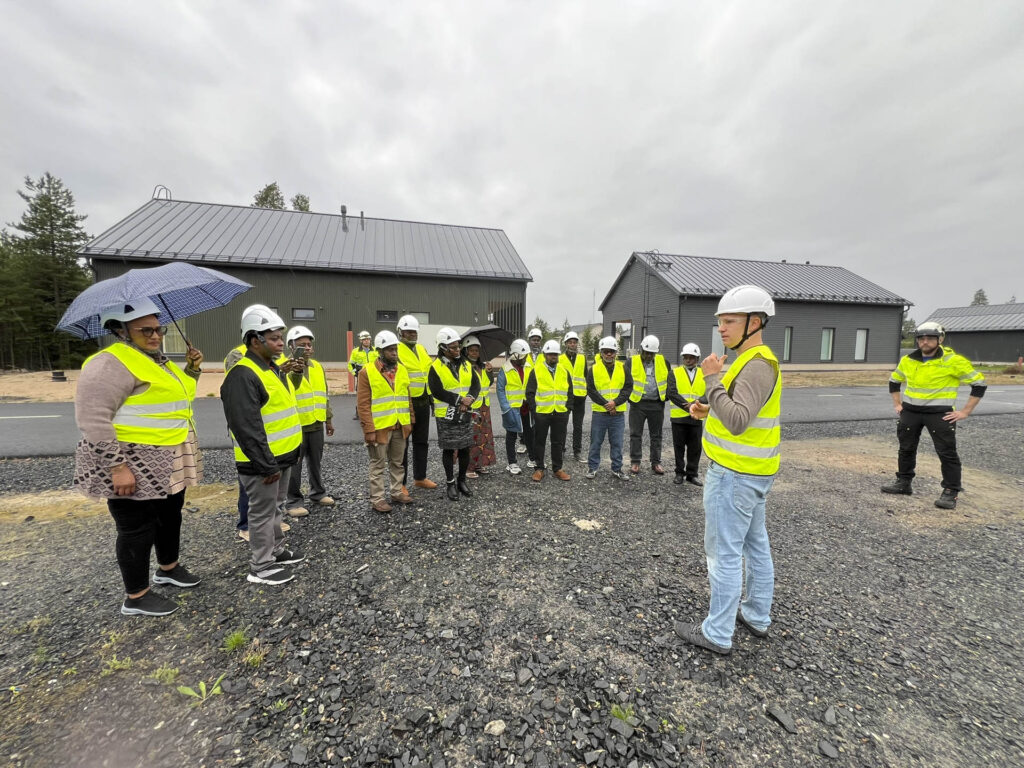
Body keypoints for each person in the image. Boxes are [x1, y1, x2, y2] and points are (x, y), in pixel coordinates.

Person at [74, 297, 203, 616]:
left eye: (159, 329)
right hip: (132, 461)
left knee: (170, 515)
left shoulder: (157, 360)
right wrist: (117, 467)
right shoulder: (110, 363)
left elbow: (179, 395)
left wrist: (192, 369)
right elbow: (92, 418)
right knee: (136, 527)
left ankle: (168, 568)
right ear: (120, 330)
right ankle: (136, 596)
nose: (156, 335)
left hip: (169, 455)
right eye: (146, 330)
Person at [675, 285, 781, 655]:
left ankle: (717, 633)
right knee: (755, 545)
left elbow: (737, 421)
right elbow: (738, 412)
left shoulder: (755, 365)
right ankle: (755, 615)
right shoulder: (754, 360)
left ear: (755, 322)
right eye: (720, 321)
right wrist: (709, 409)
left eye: (730, 321)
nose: (722, 328)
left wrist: (710, 380)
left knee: (723, 553)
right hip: (752, 471)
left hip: (735, 475)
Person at [221, 306, 305, 586]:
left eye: (281, 337)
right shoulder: (242, 375)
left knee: (276, 508)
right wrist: (265, 463)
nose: (281, 343)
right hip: (262, 463)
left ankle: (276, 550)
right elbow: (246, 427)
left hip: (281, 458)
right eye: (274, 338)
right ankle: (261, 565)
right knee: (261, 512)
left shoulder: (270, 369)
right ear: (255, 340)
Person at [881, 321, 986, 509]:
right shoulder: (908, 360)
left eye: (930, 338)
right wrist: (897, 404)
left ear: (940, 339)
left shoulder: (953, 361)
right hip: (910, 412)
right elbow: (894, 381)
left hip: (940, 415)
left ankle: (951, 491)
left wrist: (965, 412)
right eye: (921, 338)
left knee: (946, 452)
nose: (925, 342)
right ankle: (904, 483)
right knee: (906, 448)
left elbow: (979, 384)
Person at [357, 331, 415, 512]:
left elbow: (407, 397)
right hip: (380, 427)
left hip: (400, 424)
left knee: (397, 462)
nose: (394, 353)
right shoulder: (367, 372)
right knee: (378, 464)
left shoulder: (402, 369)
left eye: (395, 349)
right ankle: (378, 498)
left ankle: (397, 492)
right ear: (380, 351)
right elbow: (363, 404)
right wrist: (368, 429)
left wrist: (411, 419)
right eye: (390, 350)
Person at [284, 326, 335, 514]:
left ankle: (318, 493)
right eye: (301, 345)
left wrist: (328, 420)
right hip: (295, 425)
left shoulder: (317, 367)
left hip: (316, 423)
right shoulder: (283, 367)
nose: (307, 348)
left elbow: (324, 395)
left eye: (309, 344)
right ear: (291, 346)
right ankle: (293, 502)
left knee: (316, 461)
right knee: (294, 466)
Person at [428, 327, 480, 500]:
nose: (458, 350)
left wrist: (470, 399)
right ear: (443, 348)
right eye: (454, 347)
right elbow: (437, 391)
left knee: (465, 448)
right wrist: (459, 400)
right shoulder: (435, 367)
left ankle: (461, 480)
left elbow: (475, 385)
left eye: (458, 347)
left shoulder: (466, 363)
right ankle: (450, 483)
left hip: (465, 413)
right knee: (449, 450)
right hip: (446, 415)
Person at [397, 315, 438, 491]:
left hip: (423, 401)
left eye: (414, 332)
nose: (412, 335)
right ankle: (401, 483)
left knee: (421, 441)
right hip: (407, 403)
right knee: (403, 444)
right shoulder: (396, 350)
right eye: (408, 332)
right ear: (400, 332)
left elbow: (430, 369)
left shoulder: (421, 349)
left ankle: (420, 477)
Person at [585, 336, 634, 480]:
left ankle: (617, 469)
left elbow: (628, 387)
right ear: (601, 352)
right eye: (606, 351)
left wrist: (615, 403)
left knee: (617, 443)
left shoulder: (623, 368)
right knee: (595, 442)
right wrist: (607, 404)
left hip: (617, 413)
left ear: (615, 353)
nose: (608, 354)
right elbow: (591, 390)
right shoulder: (593, 369)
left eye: (611, 351)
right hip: (600, 413)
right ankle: (592, 468)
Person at [526, 339, 574, 482]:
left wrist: (568, 409)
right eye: (550, 354)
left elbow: (570, 392)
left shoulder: (564, 371)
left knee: (558, 442)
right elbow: (530, 393)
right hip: (542, 413)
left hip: (560, 413)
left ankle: (557, 469)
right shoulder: (536, 371)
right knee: (539, 441)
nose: (553, 356)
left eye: (555, 354)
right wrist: (534, 411)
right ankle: (539, 468)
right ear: (545, 354)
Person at [628, 335, 669, 475]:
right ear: (641, 350)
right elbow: (624, 381)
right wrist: (629, 399)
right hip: (637, 405)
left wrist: (665, 397)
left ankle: (656, 462)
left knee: (656, 435)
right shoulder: (631, 362)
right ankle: (635, 462)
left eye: (652, 353)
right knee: (635, 434)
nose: (649, 356)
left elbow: (670, 380)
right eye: (647, 353)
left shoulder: (664, 362)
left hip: (657, 405)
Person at [666, 343, 706, 486]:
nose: (688, 360)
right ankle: (679, 473)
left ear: (697, 358)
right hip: (679, 418)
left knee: (695, 448)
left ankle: (692, 474)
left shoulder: (704, 374)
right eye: (686, 357)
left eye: (691, 357)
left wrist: (695, 406)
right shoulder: (674, 373)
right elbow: (671, 393)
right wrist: (687, 406)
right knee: (679, 447)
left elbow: (708, 393)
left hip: (696, 417)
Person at [462, 335, 497, 477]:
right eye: (471, 350)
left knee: (485, 437)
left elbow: (487, 383)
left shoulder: (482, 366)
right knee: (472, 437)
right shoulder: (463, 367)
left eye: (476, 350)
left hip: (484, 406)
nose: (475, 353)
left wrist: (490, 372)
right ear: (465, 351)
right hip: (471, 406)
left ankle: (479, 464)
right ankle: (469, 467)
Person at [496, 339, 530, 475]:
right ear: (515, 355)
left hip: (526, 407)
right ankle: (512, 463)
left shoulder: (527, 366)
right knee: (511, 436)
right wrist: (505, 408)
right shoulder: (505, 369)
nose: (525, 358)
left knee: (529, 433)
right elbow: (500, 390)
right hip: (511, 408)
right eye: (523, 356)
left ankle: (533, 459)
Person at [559, 331, 589, 464]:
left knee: (578, 426)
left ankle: (577, 452)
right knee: (562, 425)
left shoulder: (582, 359)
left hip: (580, 398)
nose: (573, 344)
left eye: (574, 342)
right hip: (565, 397)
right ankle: (561, 450)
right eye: (570, 342)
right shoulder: (560, 359)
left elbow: (585, 376)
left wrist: (586, 391)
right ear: (565, 344)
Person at [518, 327, 544, 461]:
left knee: (535, 418)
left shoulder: (543, 355)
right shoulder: (524, 354)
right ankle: (523, 442)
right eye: (533, 340)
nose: (535, 342)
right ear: (529, 341)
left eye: (538, 340)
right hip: (525, 389)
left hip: (539, 390)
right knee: (524, 418)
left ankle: (535, 442)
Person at [348, 330, 377, 420]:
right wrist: (355, 373)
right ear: (361, 341)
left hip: (374, 377)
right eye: (364, 339)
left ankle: (373, 412)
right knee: (361, 396)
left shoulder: (376, 350)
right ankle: (358, 413)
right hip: (361, 378)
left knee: (374, 395)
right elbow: (351, 364)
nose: (366, 341)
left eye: (368, 339)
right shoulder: (355, 351)